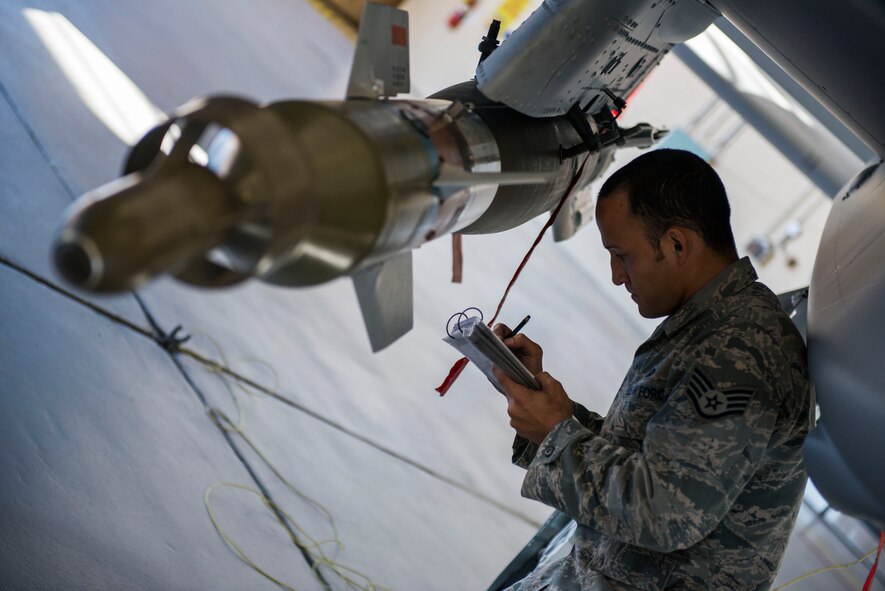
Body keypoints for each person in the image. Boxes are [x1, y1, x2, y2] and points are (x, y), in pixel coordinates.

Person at [492, 149, 814, 590]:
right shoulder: (709, 325)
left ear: (677, 244)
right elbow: (646, 458)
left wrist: (555, 433)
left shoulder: (743, 349)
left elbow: (665, 510)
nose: (616, 275)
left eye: (621, 255)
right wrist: (547, 409)